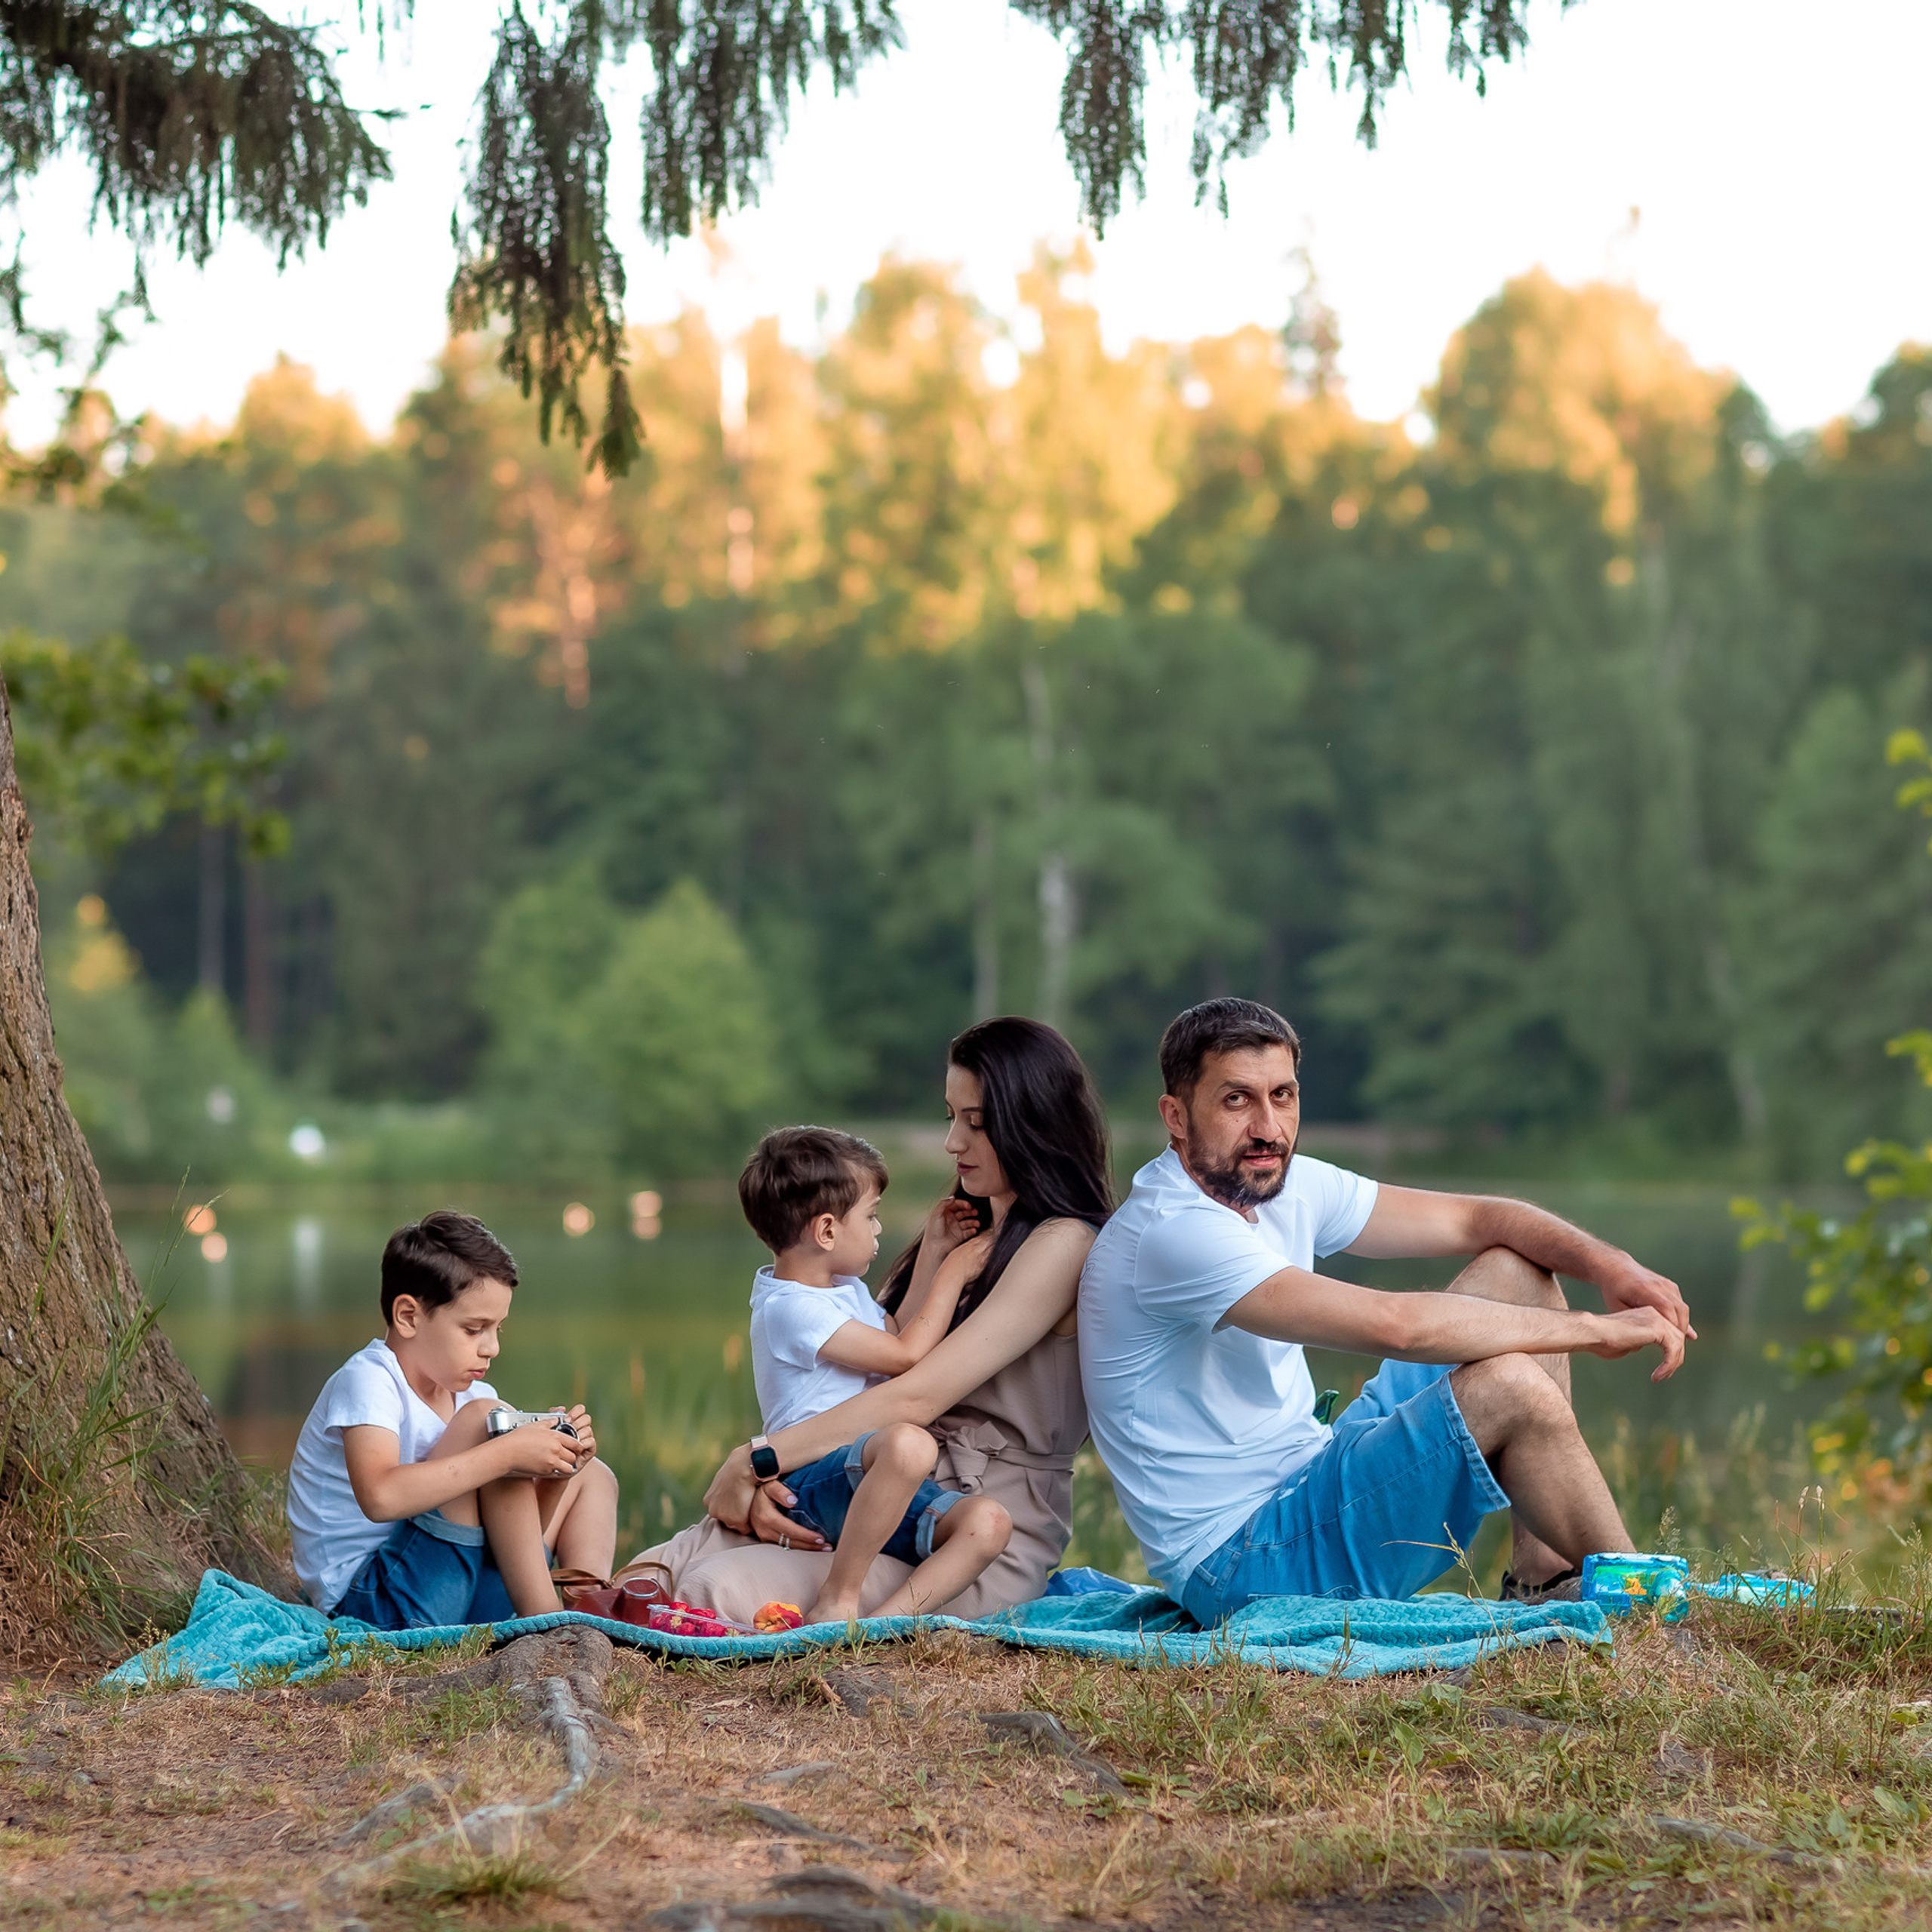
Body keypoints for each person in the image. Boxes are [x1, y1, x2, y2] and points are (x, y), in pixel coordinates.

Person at [1079, 998, 1695, 1623]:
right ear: (1176, 1117)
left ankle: (1545, 1574)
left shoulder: (1281, 1184)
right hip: (1242, 1563)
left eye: (1283, 1096)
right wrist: (1593, 1330)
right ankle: (1653, 1603)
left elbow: (1477, 1218)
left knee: (1517, 1274)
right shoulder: (1174, 1230)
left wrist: (1612, 1266)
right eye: (1237, 1100)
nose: (1268, 1127)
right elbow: (1395, 1327)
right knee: (1509, 1386)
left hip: (1312, 1477)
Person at [635, 1017, 1114, 1625]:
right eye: (951, 1116)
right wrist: (776, 1487)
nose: (953, 1143)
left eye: (976, 1122)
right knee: (649, 1573)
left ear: (1033, 1122)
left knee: (712, 1589)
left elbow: (917, 1394)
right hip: (866, 1492)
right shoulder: (959, 1238)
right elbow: (872, 1372)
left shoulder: (1062, 1243)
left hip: (973, 1530)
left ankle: (873, 1631)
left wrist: (756, 1459)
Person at [288, 1210, 618, 1627]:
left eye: (498, 1329)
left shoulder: (475, 1396)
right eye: (474, 1329)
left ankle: (591, 1612)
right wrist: (506, 1453)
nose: (492, 1348)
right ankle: (547, 1621)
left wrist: (555, 1474)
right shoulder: (370, 1379)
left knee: (594, 1477)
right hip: (375, 1603)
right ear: (409, 1317)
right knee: (489, 1423)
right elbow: (380, 1497)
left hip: (457, 1589)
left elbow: (515, 1540)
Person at [737, 1124, 1013, 1623]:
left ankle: (886, 1624)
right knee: (909, 1445)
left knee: (989, 1522)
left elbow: (897, 1336)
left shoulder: (840, 1288)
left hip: (874, 1482)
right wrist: (954, 1272)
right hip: (814, 1481)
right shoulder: (790, 1308)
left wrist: (933, 1251)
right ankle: (838, 1599)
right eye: (871, 1216)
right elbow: (906, 1356)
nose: (878, 1229)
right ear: (827, 1231)